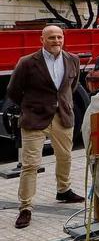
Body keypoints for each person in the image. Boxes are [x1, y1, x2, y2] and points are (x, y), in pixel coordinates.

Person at [7, 26, 85, 229]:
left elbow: (71, 87)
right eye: (51, 37)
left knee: (65, 157)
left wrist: (63, 106)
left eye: (60, 37)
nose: (56, 40)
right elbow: (13, 90)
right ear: (42, 39)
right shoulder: (27, 62)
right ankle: (25, 207)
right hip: (35, 119)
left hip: (63, 118)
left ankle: (63, 190)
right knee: (30, 164)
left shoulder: (73, 59)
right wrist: (31, 107)